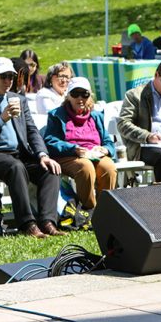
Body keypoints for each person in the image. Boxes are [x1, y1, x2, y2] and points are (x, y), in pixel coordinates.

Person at [0, 57, 64, 239]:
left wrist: (42, 155)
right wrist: (0, 120)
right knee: (16, 167)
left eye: (11, 76)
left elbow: (32, 131)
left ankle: (48, 221)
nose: (8, 81)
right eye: (3, 76)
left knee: (50, 169)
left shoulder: (18, 100)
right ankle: (27, 223)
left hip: (20, 154)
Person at [44, 78, 117, 219]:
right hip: (69, 156)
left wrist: (105, 150)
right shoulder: (56, 115)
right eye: (75, 94)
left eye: (84, 94)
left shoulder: (96, 116)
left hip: (94, 154)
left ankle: (106, 212)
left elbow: (108, 141)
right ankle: (89, 211)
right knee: (85, 167)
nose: (80, 98)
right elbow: (50, 141)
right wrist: (73, 148)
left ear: (90, 96)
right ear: (68, 95)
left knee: (108, 168)